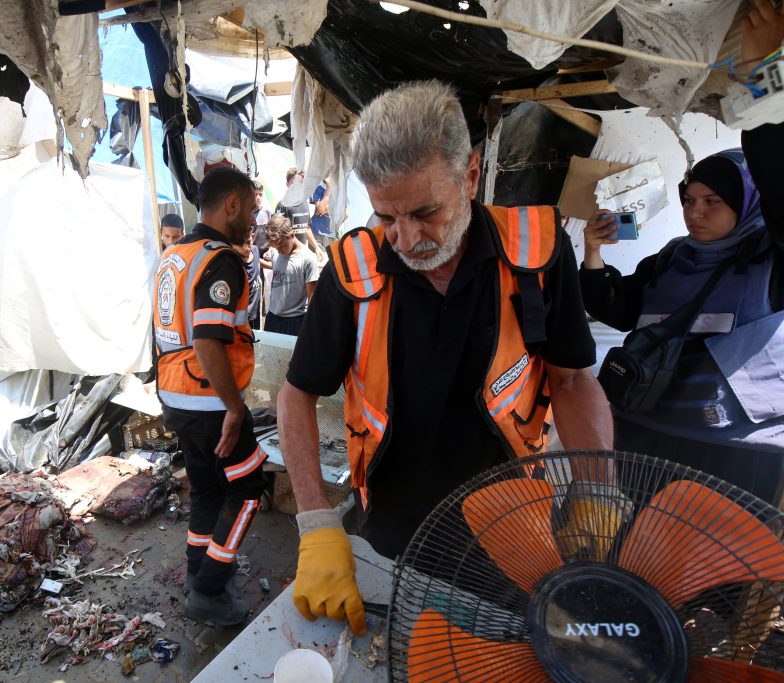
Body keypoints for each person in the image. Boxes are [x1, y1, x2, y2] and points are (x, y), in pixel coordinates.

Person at [276, 80, 613, 635]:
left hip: (514, 518)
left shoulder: (539, 250)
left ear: (472, 175)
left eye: (425, 212)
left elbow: (573, 379)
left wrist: (597, 488)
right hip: (390, 524)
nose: (405, 240)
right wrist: (315, 523)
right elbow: (297, 395)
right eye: (386, 217)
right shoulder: (352, 269)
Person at [580, 0, 784, 504]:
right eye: (690, 200)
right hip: (643, 434)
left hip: (731, 451)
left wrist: (766, 76)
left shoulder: (770, 260)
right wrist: (592, 255)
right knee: (639, 562)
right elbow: (621, 310)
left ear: (751, 203)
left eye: (714, 202)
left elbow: (776, 169)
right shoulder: (673, 257)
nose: (696, 213)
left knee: (713, 572)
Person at [152, 166, 268, 625]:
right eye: (252, 210)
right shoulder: (221, 260)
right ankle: (209, 589)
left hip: (176, 396)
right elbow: (206, 339)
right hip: (210, 402)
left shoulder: (175, 254)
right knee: (248, 489)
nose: (254, 220)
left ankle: (197, 571)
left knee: (205, 489)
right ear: (232, 205)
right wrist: (236, 409)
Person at [262, 213, 319, 336]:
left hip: (295, 322)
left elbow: (312, 300)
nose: (279, 251)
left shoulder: (308, 259)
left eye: (282, 246)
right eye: (276, 248)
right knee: (270, 355)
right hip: (272, 318)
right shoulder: (276, 252)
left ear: (292, 235)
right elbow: (282, 268)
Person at [276, 167, 326, 261]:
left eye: (300, 183)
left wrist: (316, 248)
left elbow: (305, 227)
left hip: (302, 255)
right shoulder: (282, 205)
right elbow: (277, 232)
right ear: (287, 184)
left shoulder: (304, 203)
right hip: (288, 256)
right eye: (294, 183)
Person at [234, 231, 263, 330]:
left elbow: (258, 261)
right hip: (242, 317)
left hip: (255, 310)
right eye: (241, 244)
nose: (246, 247)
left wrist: (273, 266)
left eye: (248, 242)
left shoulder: (255, 250)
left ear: (253, 237)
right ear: (233, 244)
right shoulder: (233, 261)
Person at [309, 177, 335, 249]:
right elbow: (320, 210)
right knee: (320, 259)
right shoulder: (318, 187)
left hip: (332, 234)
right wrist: (329, 187)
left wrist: (328, 209)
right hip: (317, 232)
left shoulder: (339, 189)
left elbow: (345, 214)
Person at [252, 179, 273, 257]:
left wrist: (270, 250)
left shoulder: (267, 212)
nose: (258, 197)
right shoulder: (245, 214)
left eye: (260, 194)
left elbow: (273, 234)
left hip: (266, 256)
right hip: (252, 256)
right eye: (255, 194)